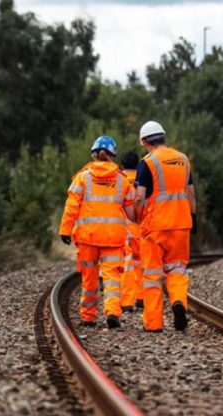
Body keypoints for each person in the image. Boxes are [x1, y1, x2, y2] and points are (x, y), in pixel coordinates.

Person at [59, 136, 136, 329]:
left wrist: (65, 230)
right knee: (112, 277)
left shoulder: (83, 177)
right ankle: (112, 312)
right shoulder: (122, 180)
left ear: (93, 155)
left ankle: (88, 317)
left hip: (88, 237)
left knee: (89, 277)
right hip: (113, 238)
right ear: (112, 156)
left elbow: (71, 206)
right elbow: (131, 212)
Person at [134, 121, 197, 332]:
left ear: (144, 142)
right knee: (178, 269)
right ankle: (178, 301)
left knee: (152, 276)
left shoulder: (147, 162)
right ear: (163, 136)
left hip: (155, 226)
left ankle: (153, 323)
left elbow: (140, 196)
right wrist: (193, 217)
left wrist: (137, 216)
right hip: (181, 224)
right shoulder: (184, 160)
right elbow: (190, 194)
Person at [119, 151, 143, 313]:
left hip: (123, 229)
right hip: (141, 228)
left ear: (122, 164)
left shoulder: (118, 180)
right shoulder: (143, 179)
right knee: (142, 263)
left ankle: (127, 301)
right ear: (138, 164)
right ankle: (142, 297)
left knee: (126, 265)